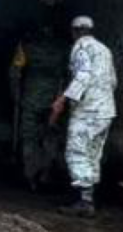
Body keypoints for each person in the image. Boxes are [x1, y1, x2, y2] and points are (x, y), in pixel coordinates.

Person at [48, 16, 116, 216]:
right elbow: (113, 80)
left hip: (88, 111)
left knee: (77, 152)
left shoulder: (80, 47)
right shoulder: (104, 49)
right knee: (93, 153)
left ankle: (84, 202)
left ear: (74, 31)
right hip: (106, 111)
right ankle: (89, 197)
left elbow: (83, 76)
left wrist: (62, 100)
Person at [11, 24, 70, 191]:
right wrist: (64, 99)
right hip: (54, 101)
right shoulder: (64, 48)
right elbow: (69, 75)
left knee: (30, 137)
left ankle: (30, 176)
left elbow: (15, 72)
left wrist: (15, 96)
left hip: (31, 99)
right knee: (50, 137)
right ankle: (46, 173)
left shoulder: (26, 46)